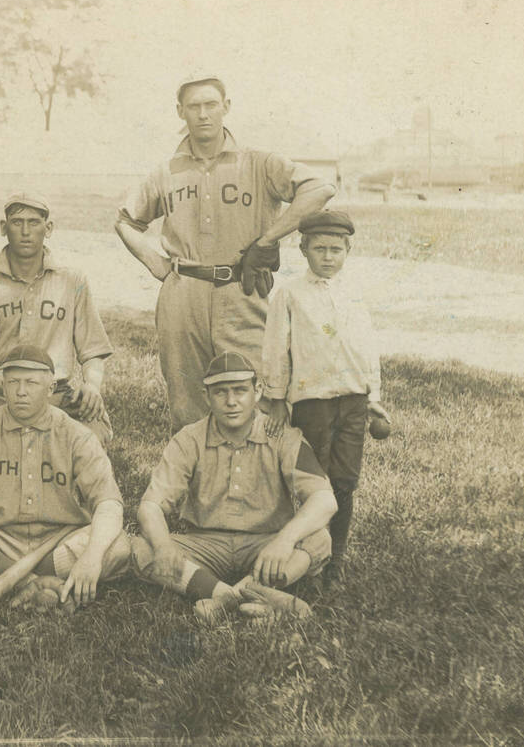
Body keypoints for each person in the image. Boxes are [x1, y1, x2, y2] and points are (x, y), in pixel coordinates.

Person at [114, 74, 336, 433]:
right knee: (187, 400)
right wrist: (156, 264)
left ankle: (256, 478)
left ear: (226, 108)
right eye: (194, 107)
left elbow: (320, 189)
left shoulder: (258, 163)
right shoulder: (167, 171)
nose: (203, 114)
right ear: (180, 112)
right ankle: (198, 479)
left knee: (254, 389)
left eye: (211, 105)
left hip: (241, 288)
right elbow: (125, 220)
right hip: (183, 294)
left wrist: (267, 240)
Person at [0, 345, 133, 611]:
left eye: (31, 383)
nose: (21, 391)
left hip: (59, 545)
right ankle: (37, 584)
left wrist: (91, 556)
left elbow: (109, 504)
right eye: (13, 382)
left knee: (119, 547)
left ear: (51, 388)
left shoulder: (77, 435)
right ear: (3, 386)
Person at [131, 351, 337, 620]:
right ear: (206, 397)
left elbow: (325, 500)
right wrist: (164, 547)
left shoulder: (282, 435)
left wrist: (284, 541)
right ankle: (233, 596)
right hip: (205, 543)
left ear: (258, 391)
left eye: (240, 390)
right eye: (220, 392)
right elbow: (150, 506)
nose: (231, 402)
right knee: (141, 547)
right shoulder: (189, 439)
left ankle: (232, 595)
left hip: (265, 544)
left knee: (319, 539)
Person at [262, 209, 390, 580]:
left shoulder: (354, 295)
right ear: (304, 249)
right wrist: (274, 399)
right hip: (311, 403)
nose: (328, 257)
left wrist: (374, 395)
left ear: (348, 250)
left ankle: (336, 558)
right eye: (320, 249)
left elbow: (367, 347)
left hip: (352, 401)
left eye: (336, 249)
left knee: (345, 481)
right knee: (311, 482)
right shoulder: (289, 294)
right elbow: (275, 349)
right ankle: (307, 554)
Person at [0, 192, 114, 442]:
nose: (25, 231)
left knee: (93, 434)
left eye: (34, 222)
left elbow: (93, 351)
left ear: (48, 228)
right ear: (3, 227)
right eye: (17, 222)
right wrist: (30, 399)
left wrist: (92, 385)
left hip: (55, 392)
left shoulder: (72, 281)